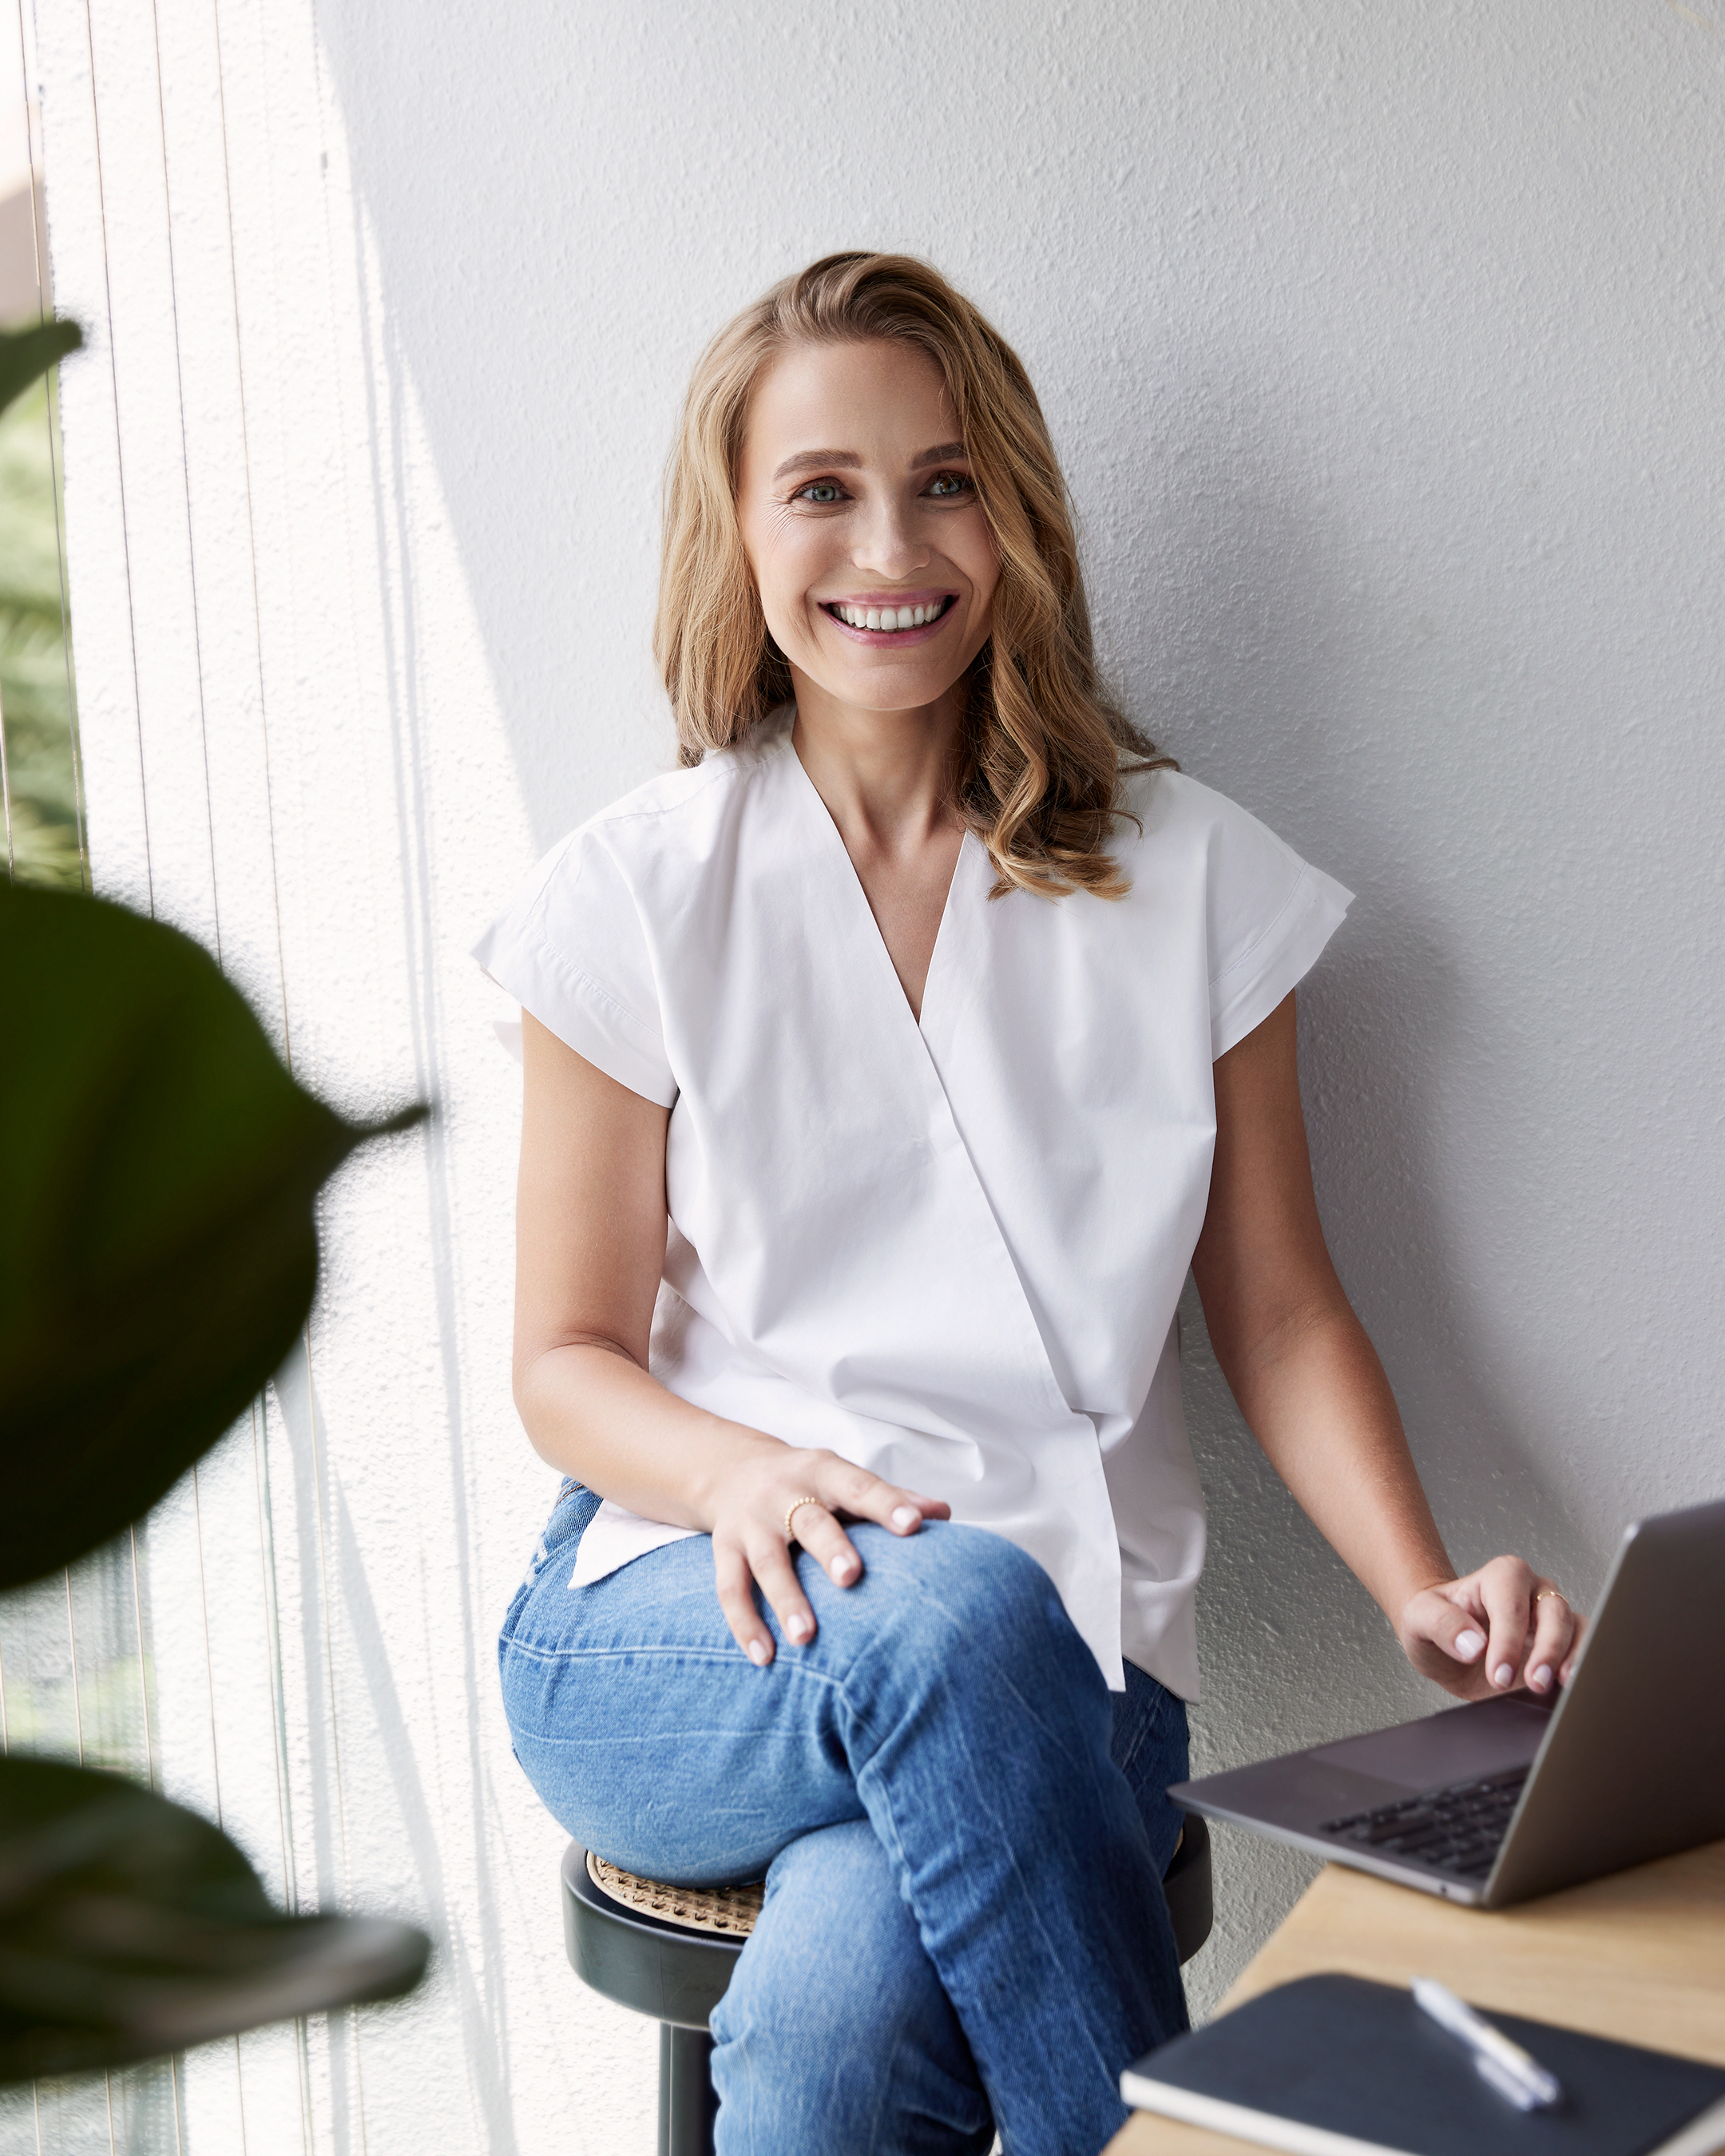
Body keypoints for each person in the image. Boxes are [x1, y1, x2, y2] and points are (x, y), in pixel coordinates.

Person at [478, 253, 1584, 2156]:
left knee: (829, 2036)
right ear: (736, 531)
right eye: (821, 488)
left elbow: (1281, 1310)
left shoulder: (1195, 877)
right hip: (687, 1628)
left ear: (1017, 518)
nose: (889, 544)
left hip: (1075, 1660)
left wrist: (1421, 1591)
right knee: (955, 1612)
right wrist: (742, 1476)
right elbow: (565, 1360)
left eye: (946, 481)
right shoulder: (634, 894)